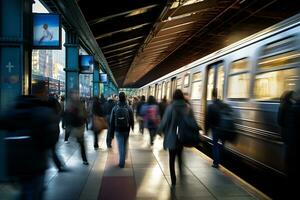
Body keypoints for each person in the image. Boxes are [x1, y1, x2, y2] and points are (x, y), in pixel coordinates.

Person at [0, 80, 59, 200]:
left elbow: (3, 123)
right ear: (42, 93)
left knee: (24, 191)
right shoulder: (44, 112)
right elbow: (51, 140)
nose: (48, 95)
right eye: (47, 93)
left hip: (15, 164)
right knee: (34, 193)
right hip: (35, 164)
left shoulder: (14, 108)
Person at [158, 89, 194, 186]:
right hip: (182, 136)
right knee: (180, 155)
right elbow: (191, 121)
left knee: (171, 158)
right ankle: (182, 173)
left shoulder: (170, 107)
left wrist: (159, 130)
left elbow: (164, 121)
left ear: (173, 97)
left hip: (171, 136)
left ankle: (173, 179)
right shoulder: (187, 107)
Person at [277, 90, 299, 198]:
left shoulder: (282, 106)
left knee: (288, 162)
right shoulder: (292, 106)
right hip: (292, 138)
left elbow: (279, 121)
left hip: (286, 137)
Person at [109, 92, 134, 168]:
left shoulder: (115, 108)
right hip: (126, 129)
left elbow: (111, 121)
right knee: (125, 143)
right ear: (125, 98)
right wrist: (132, 126)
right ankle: (124, 157)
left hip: (118, 129)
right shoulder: (128, 107)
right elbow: (132, 118)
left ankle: (122, 162)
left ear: (119, 98)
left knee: (120, 145)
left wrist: (111, 132)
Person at [64, 91, 89, 165]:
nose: (76, 95)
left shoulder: (72, 104)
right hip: (76, 126)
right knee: (81, 143)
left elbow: (84, 114)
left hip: (78, 127)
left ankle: (84, 159)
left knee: (81, 144)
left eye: (77, 94)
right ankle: (84, 159)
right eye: (75, 94)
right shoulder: (75, 104)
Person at [206, 88, 224, 168]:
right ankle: (220, 159)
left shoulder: (211, 106)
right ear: (217, 94)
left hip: (215, 128)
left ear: (212, 95)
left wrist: (206, 130)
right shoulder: (221, 104)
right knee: (221, 145)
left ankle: (216, 163)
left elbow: (208, 119)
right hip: (223, 128)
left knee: (215, 145)